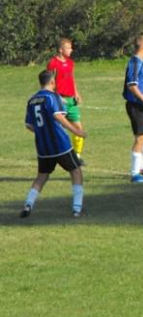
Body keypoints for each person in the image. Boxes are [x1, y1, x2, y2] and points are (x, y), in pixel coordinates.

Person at [21, 70, 87, 218]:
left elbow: (29, 125)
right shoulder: (53, 97)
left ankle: (28, 204)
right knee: (76, 171)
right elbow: (58, 116)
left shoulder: (31, 100)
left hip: (43, 147)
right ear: (52, 82)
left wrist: (42, 131)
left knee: (41, 176)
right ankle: (77, 209)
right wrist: (76, 131)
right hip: (60, 144)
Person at [122, 35, 143, 183]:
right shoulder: (134, 63)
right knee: (140, 137)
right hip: (137, 105)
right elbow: (131, 85)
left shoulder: (141, 62)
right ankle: (135, 174)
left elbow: (140, 81)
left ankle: (141, 167)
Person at [47, 37, 86, 165]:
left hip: (71, 100)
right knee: (59, 130)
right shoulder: (53, 63)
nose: (71, 50)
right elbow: (49, 83)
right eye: (68, 48)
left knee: (79, 129)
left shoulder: (70, 63)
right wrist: (57, 97)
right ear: (60, 49)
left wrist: (76, 93)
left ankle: (77, 156)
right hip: (60, 101)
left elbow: (71, 78)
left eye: (71, 47)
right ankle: (56, 155)